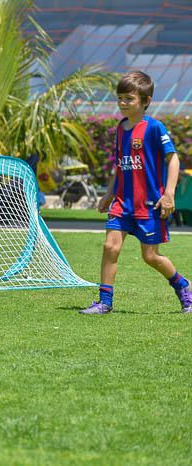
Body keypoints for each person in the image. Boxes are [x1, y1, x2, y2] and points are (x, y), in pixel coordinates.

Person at [80, 70, 191, 315]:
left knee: (150, 257)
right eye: (120, 98)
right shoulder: (121, 128)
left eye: (129, 99)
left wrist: (169, 194)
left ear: (146, 101)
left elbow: (173, 160)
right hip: (123, 203)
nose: (122, 103)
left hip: (149, 205)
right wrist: (109, 193)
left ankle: (183, 287)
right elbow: (119, 164)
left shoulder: (154, 128)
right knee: (110, 247)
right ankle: (104, 302)